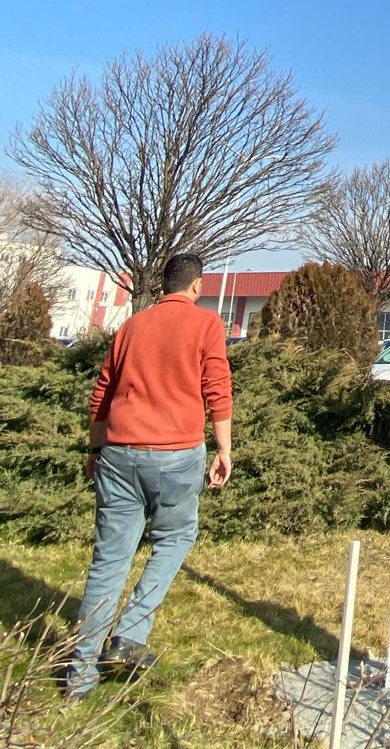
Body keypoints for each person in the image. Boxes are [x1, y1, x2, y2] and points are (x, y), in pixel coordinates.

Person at [65, 253, 232, 700]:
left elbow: (101, 393)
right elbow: (218, 388)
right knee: (175, 538)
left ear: (163, 285)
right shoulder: (206, 325)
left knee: (108, 562)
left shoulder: (131, 326)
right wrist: (224, 449)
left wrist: (95, 449)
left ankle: (79, 675)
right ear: (197, 286)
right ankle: (130, 634)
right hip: (176, 455)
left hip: (118, 453)